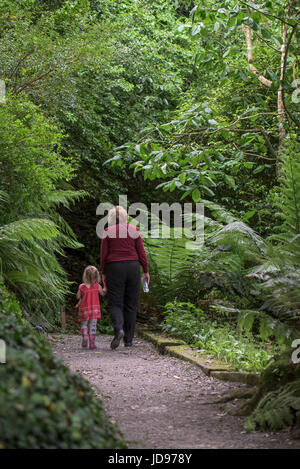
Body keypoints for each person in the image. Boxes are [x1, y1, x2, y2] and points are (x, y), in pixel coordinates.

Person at [100, 206, 150, 349]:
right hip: (133, 267)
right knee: (131, 304)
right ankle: (128, 340)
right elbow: (141, 252)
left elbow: (103, 255)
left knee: (115, 303)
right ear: (125, 217)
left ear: (111, 218)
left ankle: (119, 330)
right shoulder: (134, 230)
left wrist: (103, 273)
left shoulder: (107, 232)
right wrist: (145, 271)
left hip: (114, 268)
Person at [76, 265, 104, 349]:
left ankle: (85, 335)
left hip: (84, 309)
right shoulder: (97, 286)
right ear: (96, 276)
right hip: (94, 309)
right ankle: (92, 343)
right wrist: (105, 290)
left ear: (85, 275)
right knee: (93, 325)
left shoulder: (81, 286)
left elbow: (77, 297)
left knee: (84, 324)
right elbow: (102, 294)